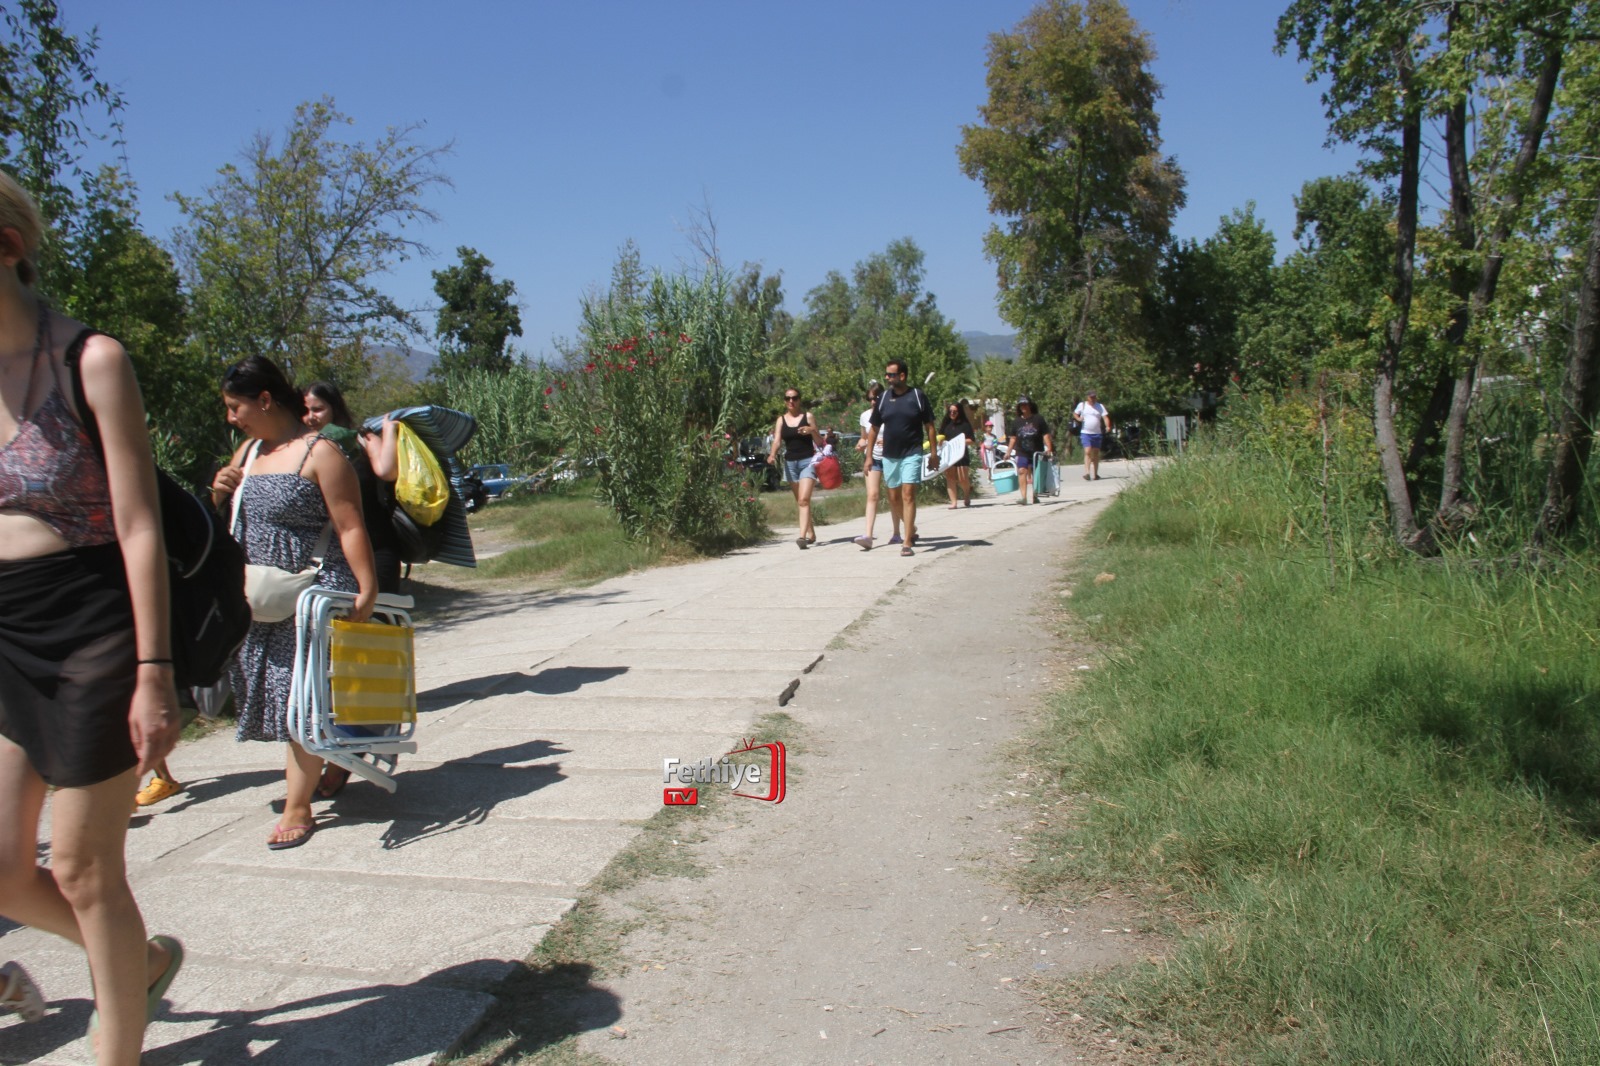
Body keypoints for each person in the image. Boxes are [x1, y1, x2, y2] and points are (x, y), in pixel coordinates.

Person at [0, 171, 184, 1063]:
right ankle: (137, 964)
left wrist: (156, 671)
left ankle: (119, 1051)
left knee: (79, 865)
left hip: (91, 623)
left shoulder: (90, 359)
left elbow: (140, 524)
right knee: (3, 869)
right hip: (4, 635)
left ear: (9, 248)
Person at [210, 356, 378, 850]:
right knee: (291, 698)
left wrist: (366, 589)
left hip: (311, 594)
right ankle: (336, 758)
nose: (231, 417)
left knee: (300, 699)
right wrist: (221, 492)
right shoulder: (248, 452)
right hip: (261, 597)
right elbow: (237, 523)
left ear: (265, 400)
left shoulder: (320, 453)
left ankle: (297, 805)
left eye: (235, 406)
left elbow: (350, 525)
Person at [302, 381, 401, 595]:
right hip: (330, 558)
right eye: (304, 411)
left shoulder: (362, 439)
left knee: (381, 622)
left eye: (318, 409)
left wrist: (389, 431)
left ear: (334, 408)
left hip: (377, 547)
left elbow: (386, 471)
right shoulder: (299, 451)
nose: (310, 417)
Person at [861, 359, 938, 557]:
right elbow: (874, 429)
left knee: (908, 494)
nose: (887, 378)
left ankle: (907, 542)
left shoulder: (918, 396)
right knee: (894, 498)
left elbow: (929, 426)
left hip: (912, 453)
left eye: (891, 375)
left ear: (902, 376)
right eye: (886, 374)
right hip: (889, 456)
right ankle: (910, 527)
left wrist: (934, 454)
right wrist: (869, 456)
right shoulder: (884, 398)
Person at [767, 387, 821, 549]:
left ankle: (802, 537)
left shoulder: (808, 417)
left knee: (804, 500)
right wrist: (772, 454)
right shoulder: (780, 420)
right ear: (785, 401)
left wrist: (812, 430)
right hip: (790, 463)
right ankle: (811, 533)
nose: (791, 401)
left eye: (795, 398)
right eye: (788, 398)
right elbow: (777, 440)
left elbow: (819, 441)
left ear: (799, 400)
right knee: (800, 501)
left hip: (807, 461)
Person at [851, 382, 900, 551]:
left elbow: (901, 434)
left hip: (891, 457)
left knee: (893, 496)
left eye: (876, 398)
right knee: (872, 495)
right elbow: (864, 437)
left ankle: (897, 532)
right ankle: (868, 536)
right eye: (870, 399)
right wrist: (861, 444)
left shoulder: (891, 412)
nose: (873, 402)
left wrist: (887, 440)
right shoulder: (865, 416)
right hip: (872, 459)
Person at [1005, 396, 1054, 505]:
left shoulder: (1038, 419)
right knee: (1022, 471)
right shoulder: (1016, 422)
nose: (1024, 407)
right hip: (1021, 451)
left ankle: (1035, 495)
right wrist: (1008, 452)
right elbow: (1013, 438)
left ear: (1030, 405)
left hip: (1037, 452)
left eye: (1025, 404)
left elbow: (1045, 435)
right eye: (1021, 405)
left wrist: (1049, 448)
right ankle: (1024, 497)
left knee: (1036, 474)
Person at [938, 401, 978, 509]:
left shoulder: (965, 424)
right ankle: (954, 502)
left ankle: (966, 495)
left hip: (961, 454)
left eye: (954, 411)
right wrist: (940, 443)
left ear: (959, 412)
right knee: (950, 478)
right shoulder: (946, 424)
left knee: (962, 478)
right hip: (949, 455)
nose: (952, 413)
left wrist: (960, 442)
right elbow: (940, 437)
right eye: (950, 411)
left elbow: (972, 440)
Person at [1072, 390, 1112, 481]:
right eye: (1091, 397)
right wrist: (1078, 418)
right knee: (1087, 451)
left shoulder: (1100, 406)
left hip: (1097, 433)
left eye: (1094, 397)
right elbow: (1075, 413)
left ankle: (1095, 474)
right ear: (1087, 397)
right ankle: (1087, 473)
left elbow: (1105, 417)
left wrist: (1108, 426)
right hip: (1086, 432)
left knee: (1096, 453)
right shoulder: (1082, 405)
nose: (1093, 399)